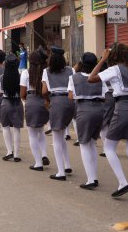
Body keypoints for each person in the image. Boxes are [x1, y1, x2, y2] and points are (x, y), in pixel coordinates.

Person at [88, 43, 128, 199]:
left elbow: (91, 78)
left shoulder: (115, 69)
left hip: (123, 107)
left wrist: (102, 60)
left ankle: (123, 183)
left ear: (113, 55)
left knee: (109, 147)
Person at [68, 52, 108, 190]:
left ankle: (91, 179)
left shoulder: (74, 77)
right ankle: (94, 176)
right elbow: (105, 96)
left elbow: (70, 96)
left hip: (83, 110)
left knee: (84, 144)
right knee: (92, 143)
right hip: (99, 110)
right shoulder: (100, 78)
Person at [42, 46, 75, 181]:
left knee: (57, 137)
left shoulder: (46, 71)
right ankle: (67, 165)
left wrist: (47, 101)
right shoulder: (71, 70)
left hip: (56, 101)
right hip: (69, 102)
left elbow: (44, 91)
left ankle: (61, 172)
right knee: (62, 135)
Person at [20, 49, 50, 171]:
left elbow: (22, 93)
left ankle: (38, 163)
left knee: (32, 133)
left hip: (32, 100)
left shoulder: (26, 73)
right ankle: (44, 155)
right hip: (45, 101)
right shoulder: (48, 72)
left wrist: (26, 99)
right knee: (41, 130)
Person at [0, 53, 24, 161]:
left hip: (5, 102)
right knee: (17, 129)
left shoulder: (1, 78)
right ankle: (17, 155)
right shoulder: (21, 76)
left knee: (5, 127)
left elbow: (0, 92)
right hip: (18, 103)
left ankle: (9, 151)